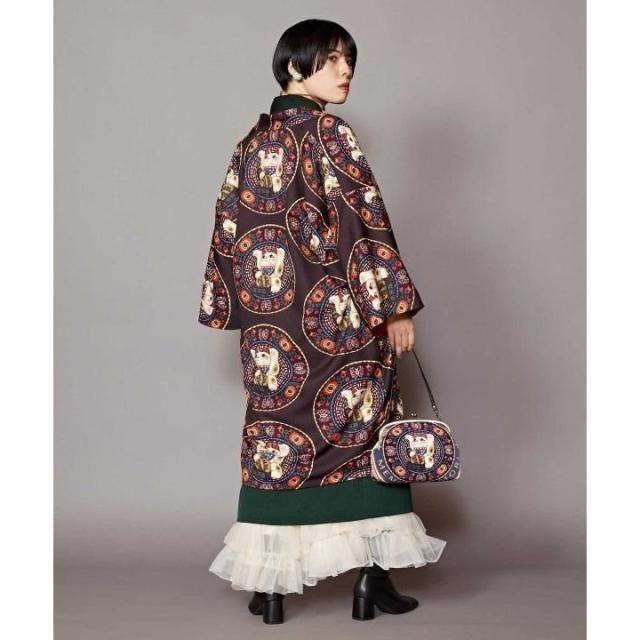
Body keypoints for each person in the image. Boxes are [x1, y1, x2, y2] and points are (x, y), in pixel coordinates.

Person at [197, 19, 446, 624]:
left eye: (348, 59)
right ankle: (370, 582)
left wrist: (235, 310)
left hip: (273, 329)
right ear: (293, 66)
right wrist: (394, 306)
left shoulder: (249, 143)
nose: (346, 70)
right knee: (363, 435)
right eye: (331, 59)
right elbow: (363, 219)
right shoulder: (330, 132)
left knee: (276, 446)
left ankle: (272, 589)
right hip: (337, 319)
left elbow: (228, 230)